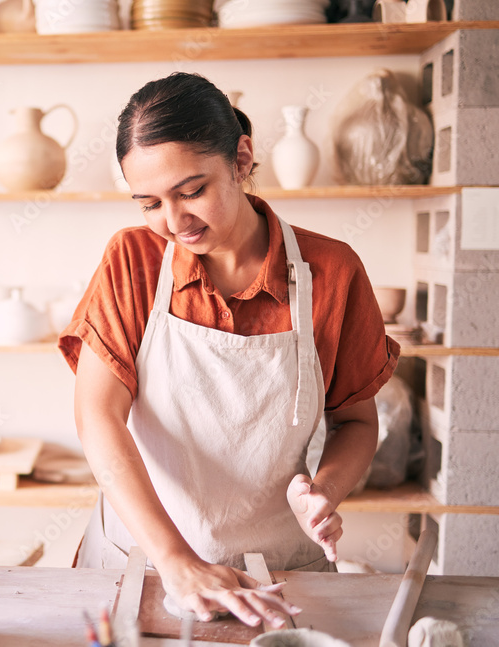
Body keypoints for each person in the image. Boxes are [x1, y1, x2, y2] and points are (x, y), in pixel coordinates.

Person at [59, 73, 399, 627]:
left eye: (192, 191)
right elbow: (97, 416)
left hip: (279, 579)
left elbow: (356, 424)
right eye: (149, 202)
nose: (174, 222)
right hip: (141, 564)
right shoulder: (133, 262)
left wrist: (324, 492)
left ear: (241, 159)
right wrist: (176, 561)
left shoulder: (332, 273)